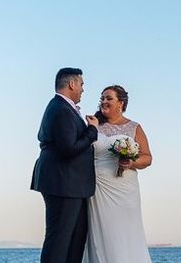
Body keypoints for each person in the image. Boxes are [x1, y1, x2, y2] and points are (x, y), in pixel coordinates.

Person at [31, 68, 100, 263]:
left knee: (75, 241)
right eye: (82, 85)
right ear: (72, 84)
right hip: (62, 183)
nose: (83, 89)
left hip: (71, 185)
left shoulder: (62, 108)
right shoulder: (61, 108)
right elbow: (68, 149)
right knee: (59, 241)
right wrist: (92, 131)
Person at [83, 85, 154, 263]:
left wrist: (131, 162)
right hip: (99, 189)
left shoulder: (134, 127)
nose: (104, 102)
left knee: (127, 234)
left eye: (109, 98)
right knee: (103, 233)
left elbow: (147, 158)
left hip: (125, 190)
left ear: (121, 103)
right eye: (102, 98)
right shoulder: (94, 126)